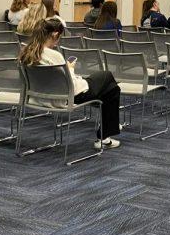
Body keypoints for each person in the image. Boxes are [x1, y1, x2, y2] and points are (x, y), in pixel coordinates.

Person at [19, 18, 122, 150]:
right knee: (108, 80)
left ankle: (108, 127)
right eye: (59, 37)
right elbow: (70, 83)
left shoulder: (26, 52)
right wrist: (70, 68)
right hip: (69, 96)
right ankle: (105, 135)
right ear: (55, 35)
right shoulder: (54, 55)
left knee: (111, 89)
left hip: (40, 96)